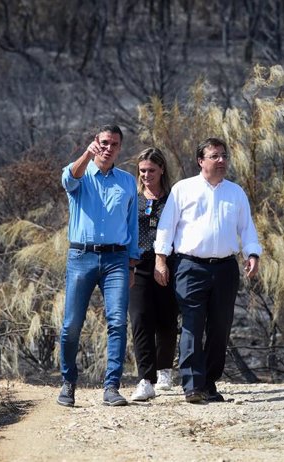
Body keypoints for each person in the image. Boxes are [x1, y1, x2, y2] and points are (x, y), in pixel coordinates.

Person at [153, 137, 261, 404]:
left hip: (225, 268)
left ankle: (209, 383)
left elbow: (246, 228)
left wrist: (253, 253)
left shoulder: (235, 192)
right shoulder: (183, 189)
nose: (222, 160)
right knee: (192, 324)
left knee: (220, 327)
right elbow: (166, 227)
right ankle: (192, 385)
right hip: (190, 266)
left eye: (224, 155)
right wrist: (160, 260)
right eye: (215, 156)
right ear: (201, 161)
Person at [57, 125, 140, 407]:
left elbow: (132, 225)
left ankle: (112, 387)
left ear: (120, 148)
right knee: (72, 325)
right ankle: (68, 382)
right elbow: (70, 179)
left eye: (114, 144)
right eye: (104, 142)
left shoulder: (128, 181)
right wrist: (85, 155)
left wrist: (131, 264)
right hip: (82, 257)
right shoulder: (80, 173)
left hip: (116, 259)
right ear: (95, 143)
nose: (108, 148)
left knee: (117, 322)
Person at [128, 147, 180, 402]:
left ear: (162, 170)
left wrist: (168, 261)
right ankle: (145, 379)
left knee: (167, 319)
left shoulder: (172, 198)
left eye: (151, 170)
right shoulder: (133, 197)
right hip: (138, 265)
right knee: (140, 320)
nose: (146, 175)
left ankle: (165, 370)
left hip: (168, 263)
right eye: (142, 171)